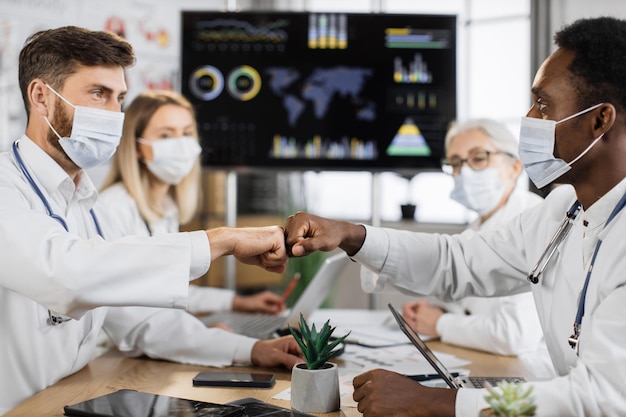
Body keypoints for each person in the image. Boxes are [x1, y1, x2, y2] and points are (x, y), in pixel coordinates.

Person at [285, 16, 626, 417]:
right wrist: (350, 235)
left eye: (544, 104)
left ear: (599, 120)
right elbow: (457, 260)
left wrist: (436, 402)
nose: (529, 117)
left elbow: (603, 398)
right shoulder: (561, 210)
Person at [0, 26, 301, 414]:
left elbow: (140, 320)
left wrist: (252, 349)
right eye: (98, 94)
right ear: (41, 96)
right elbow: (67, 275)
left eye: (119, 97)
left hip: (70, 398)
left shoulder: (88, 203)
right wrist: (223, 240)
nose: (114, 114)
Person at [98, 89, 285, 317]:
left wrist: (237, 302)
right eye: (166, 136)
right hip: (112, 349)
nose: (181, 145)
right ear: (136, 146)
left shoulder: (166, 207)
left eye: (186, 134)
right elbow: (129, 306)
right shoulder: (114, 207)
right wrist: (205, 338)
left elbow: (165, 288)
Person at [401, 119, 548, 362]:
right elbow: (473, 305)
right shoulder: (477, 227)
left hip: (530, 371)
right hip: (488, 361)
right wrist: (437, 311)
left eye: (479, 158)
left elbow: (514, 334)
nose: (465, 172)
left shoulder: (536, 222)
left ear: (514, 167)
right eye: (456, 163)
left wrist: (440, 323)